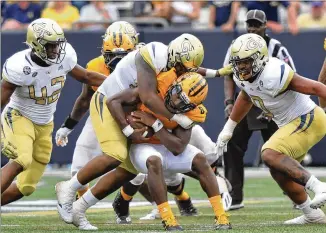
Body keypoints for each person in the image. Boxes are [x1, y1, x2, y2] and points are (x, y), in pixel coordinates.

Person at [55, 33, 233, 230]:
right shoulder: (156, 60)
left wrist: (215, 73)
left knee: (127, 171)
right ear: (174, 56)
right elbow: (146, 98)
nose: (183, 73)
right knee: (115, 154)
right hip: (109, 100)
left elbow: (189, 68)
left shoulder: (179, 77)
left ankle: (79, 208)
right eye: (181, 68)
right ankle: (69, 187)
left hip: (128, 107)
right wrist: (162, 121)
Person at [216, 33, 326, 224]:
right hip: (291, 124)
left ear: (259, 59)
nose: (241, 67)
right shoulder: (245, 77)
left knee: (269, 153)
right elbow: (245, 96)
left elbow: (317, 88)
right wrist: (229, 128)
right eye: (238, 62)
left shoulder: (274, 72)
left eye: (246, 62)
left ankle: (319, 187)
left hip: (307, 118)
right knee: (278, 170)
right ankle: (312, 215)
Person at [0, 18, 106, 206]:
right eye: (51, 45)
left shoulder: (64, 57)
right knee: (20, 159)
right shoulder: (19, 66)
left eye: (58, 44)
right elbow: (3, 97)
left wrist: (116, 81)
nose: (56, 50)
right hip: (19, 116)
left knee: (27, 187)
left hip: (45, 123)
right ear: (36, 45)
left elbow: (86, 76)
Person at [55, 21, 140, 200]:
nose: (118, 62)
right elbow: (85, 99)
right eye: (112, 55)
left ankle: (131, 204)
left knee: (141, 169)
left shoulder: (145, 65)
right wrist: (68, 125)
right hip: (102, 113)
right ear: (103, 51)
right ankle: (79, 205)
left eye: (124, 56)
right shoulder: (95, 66)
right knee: (79, 164)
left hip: (135, 115)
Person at [223, 9, 295, 210]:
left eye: (257, 25)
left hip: (272, 105)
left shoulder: (276, 48)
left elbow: (291, 77)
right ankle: (234, 196)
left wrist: (279, 107)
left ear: (265, 26)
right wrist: (229, 102)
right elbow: (228, 74)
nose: (253, 29)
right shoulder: (236, 46)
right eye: (250, 24)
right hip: (245, 102)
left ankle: (297, 192)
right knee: (230, 145)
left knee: (281, 151)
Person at [112, 124, 232, 223]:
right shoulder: (151, 100)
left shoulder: (194, 123)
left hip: (174, 142)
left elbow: (209, 160)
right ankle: (123, 201)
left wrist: (214, 176)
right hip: (147, 141)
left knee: (173, 178)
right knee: (138, 174)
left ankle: (183, 199)